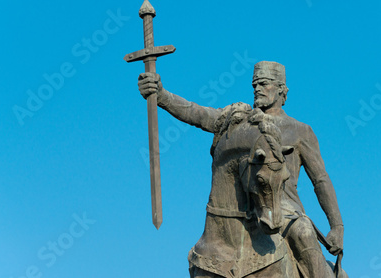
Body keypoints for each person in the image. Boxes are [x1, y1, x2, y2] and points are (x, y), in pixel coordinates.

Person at [138, 61, 344, 278]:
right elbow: (196, 113)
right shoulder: (237, 121)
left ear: (282, 90)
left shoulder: (300, 131)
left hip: (283, 210)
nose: (257, 88)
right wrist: (161, 95)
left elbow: (320, 180)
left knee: (303, 232)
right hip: (240, 209)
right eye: (255, 84)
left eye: (264, 84)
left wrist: (337, 226)